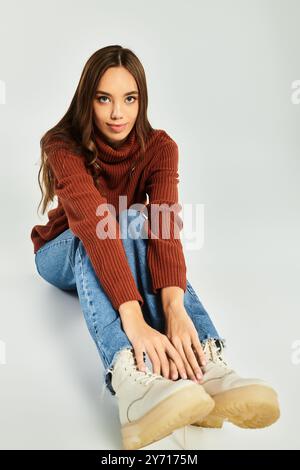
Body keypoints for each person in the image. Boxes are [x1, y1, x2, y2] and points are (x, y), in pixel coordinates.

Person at [31, 45, 280, 450]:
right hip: (62, 250)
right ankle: (128, 379)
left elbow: (165, 229)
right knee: (103, 223)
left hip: (117, 241)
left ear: (141, 100)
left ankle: (205, 363)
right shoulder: (62, 144)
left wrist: (174, 309)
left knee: (141, 218)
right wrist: (134, 319)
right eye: (104, 99)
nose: (117, 113)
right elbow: (95, 227)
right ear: (87, 100)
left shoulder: (161, 148)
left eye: (129, 99)